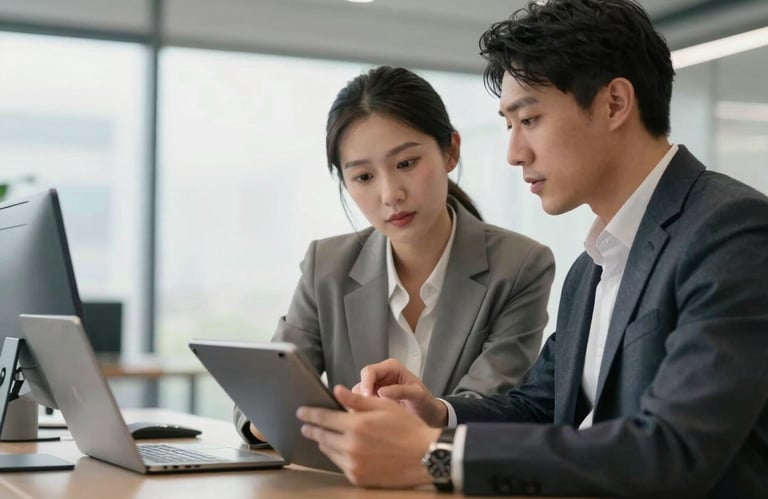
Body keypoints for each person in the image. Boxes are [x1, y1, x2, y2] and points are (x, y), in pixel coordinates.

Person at [296, 1, 768, 497]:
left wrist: (433, 457)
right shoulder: (593, 266)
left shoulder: (730, 232)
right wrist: (437, 412)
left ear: (614, 104)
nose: (515, 153)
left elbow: (675, 449)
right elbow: (537, 406)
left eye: (530, 120)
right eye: (508, 126)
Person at [234, 66, 555, 444]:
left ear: (450, 151)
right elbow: (258, 399)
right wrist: (269, 415)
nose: (390, 195)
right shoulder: (327, 265)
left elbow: (493, 406)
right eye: (364, 177)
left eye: (406, 164)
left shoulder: (519, 266)